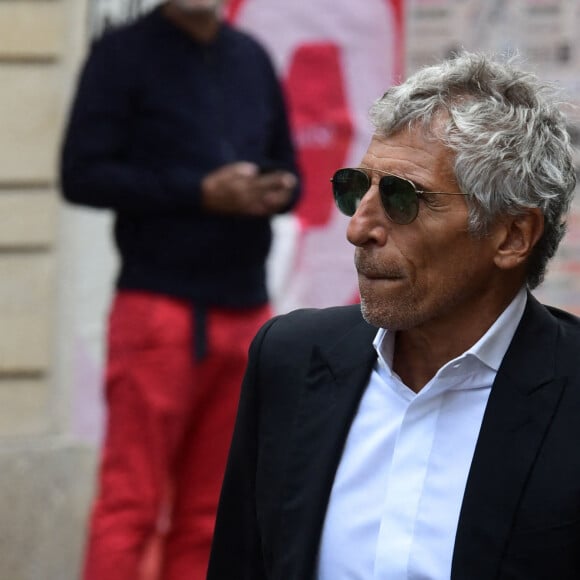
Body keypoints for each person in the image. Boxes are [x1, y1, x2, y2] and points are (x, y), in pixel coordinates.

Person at [207, 51, 580, 579]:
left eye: (404, 199)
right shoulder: (291, 361)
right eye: (355, 189)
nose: (359, 229)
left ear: (513, 235)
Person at [60, 1, 300, 579]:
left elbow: (289, 169)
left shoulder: (251, 57)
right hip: (158, 310)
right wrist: (198, 192)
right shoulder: (122, 54)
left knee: (213, 513)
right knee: (131, 504)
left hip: (245, 310)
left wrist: (275, 189)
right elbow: (82, 174)